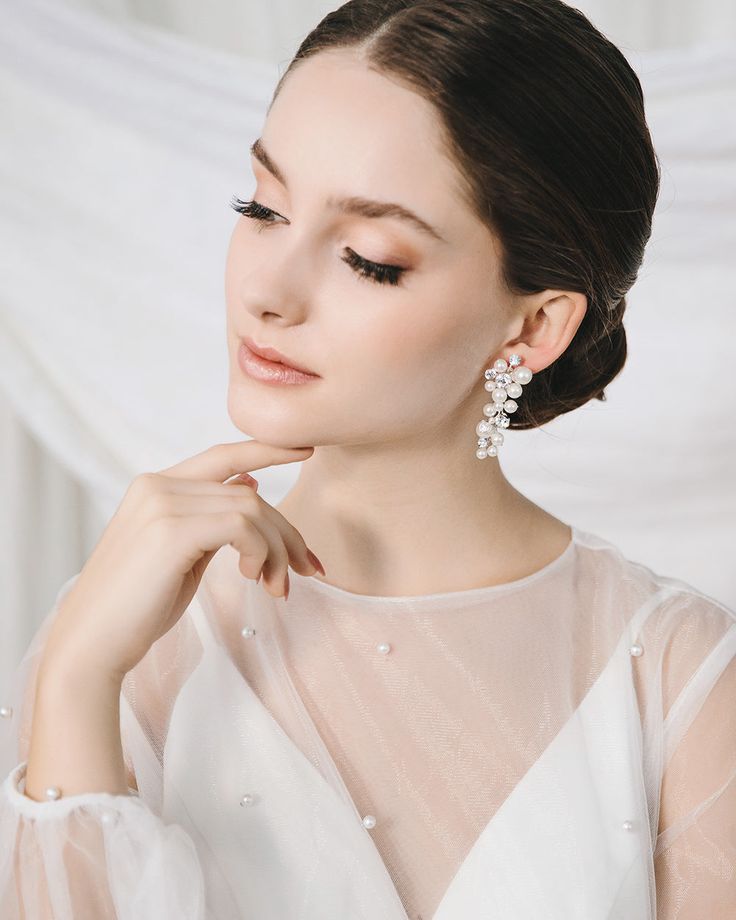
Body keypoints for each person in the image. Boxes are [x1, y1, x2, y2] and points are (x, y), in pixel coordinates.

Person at [1, 0, 734, 917]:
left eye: (368, 259)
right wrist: (76, 679)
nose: (267, 290)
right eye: (262, 208)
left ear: (535, 325)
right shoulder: (127, 639)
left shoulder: (677, 680)